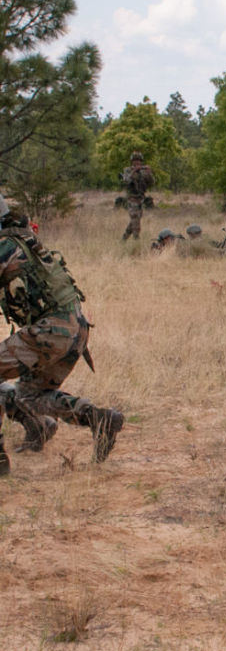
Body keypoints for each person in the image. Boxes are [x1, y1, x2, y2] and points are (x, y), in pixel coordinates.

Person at [0, 193, 123, 474]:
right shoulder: (22, 240)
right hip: (74, 328)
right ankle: (98, 419)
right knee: (30, 396)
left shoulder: (5, 247)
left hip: (50, 330)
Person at [119, 151, 155, 242]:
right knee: (135, 220)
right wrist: (134, 171)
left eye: (139, 160)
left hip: (141, 199)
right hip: (132, 199)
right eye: (135, 160)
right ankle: (136, 240)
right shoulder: (127, 170)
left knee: (134, 221)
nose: (137, 162)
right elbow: (126, 181)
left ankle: (123, 239)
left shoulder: (143, 172)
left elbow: (152, 183)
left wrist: (149, 173)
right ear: (132, 161)